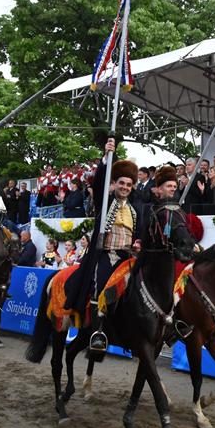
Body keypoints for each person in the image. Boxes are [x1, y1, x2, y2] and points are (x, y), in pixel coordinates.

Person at [65, 138, 140, 354]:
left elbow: (135, 234)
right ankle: (98, 332)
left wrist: (136, 244)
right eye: (121, 183)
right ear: (114, 184)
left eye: (128, 185)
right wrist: (106, 157)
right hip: (105, 254)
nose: (125, 187)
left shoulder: (134, 210)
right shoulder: (105, 201)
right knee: (103, 283)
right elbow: (99, 183)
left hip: (126, 257)